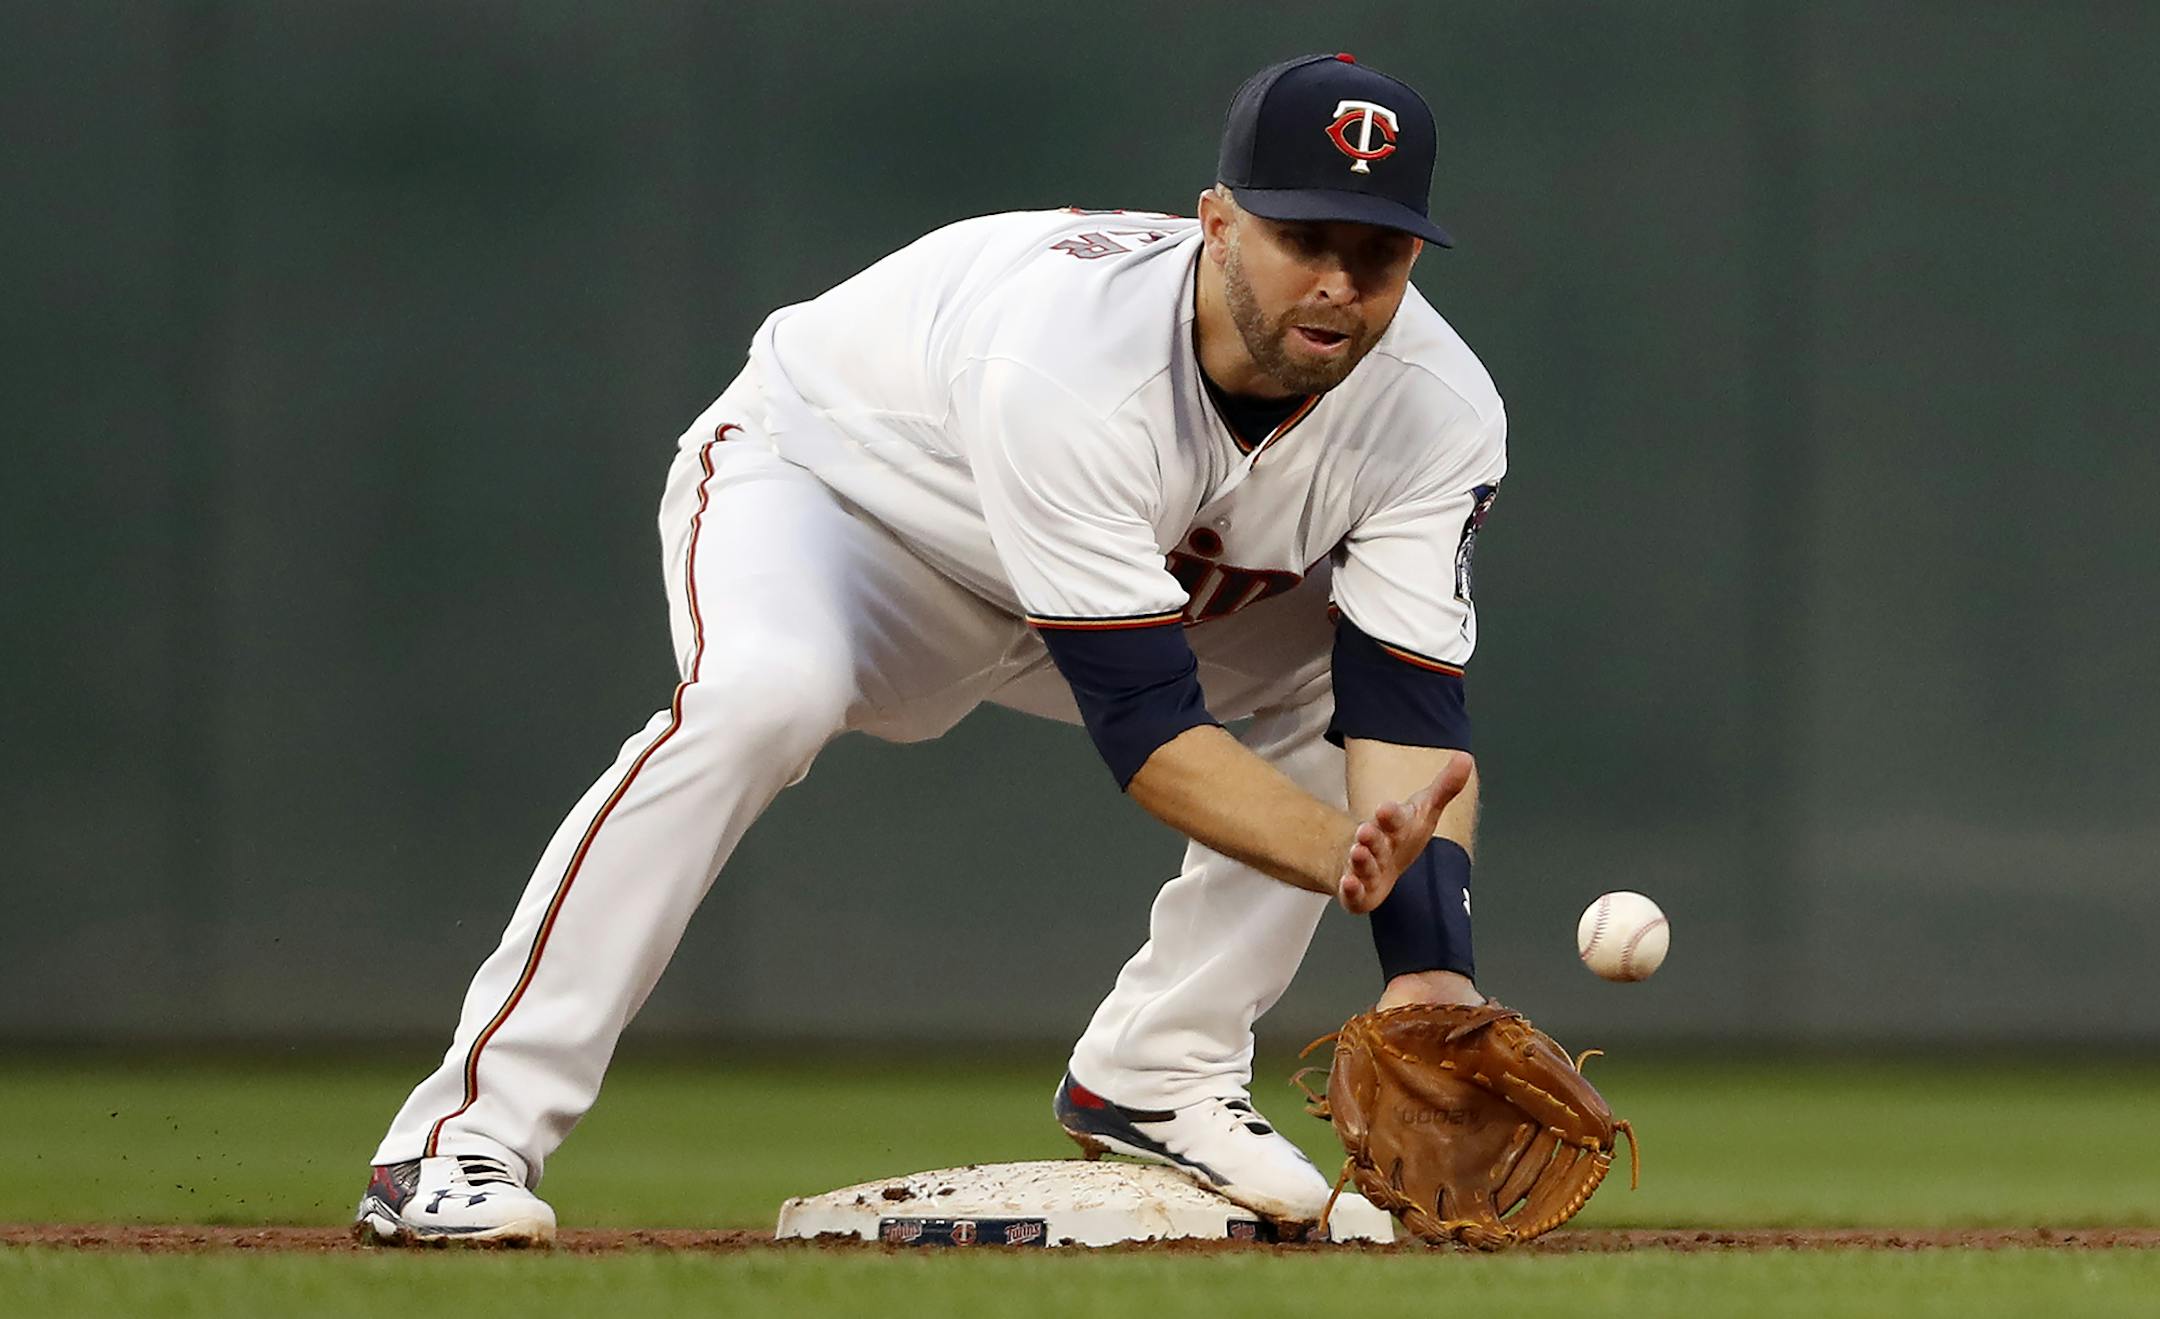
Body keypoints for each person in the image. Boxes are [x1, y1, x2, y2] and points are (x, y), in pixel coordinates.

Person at [355, 51, 1505, 1245]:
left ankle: (1161, 1070)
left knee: (1331, 692)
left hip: (1116, 573)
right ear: (1216, 223)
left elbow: (1409, 713)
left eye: (1376, 251)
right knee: (762, 695)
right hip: (846, 506)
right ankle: (458, 1142)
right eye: (1303, 236)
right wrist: (1343, 856)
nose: (1337, 281)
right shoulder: (1072, 359)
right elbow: (1154, 735)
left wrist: (1432, 970)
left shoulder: (1439, 406)